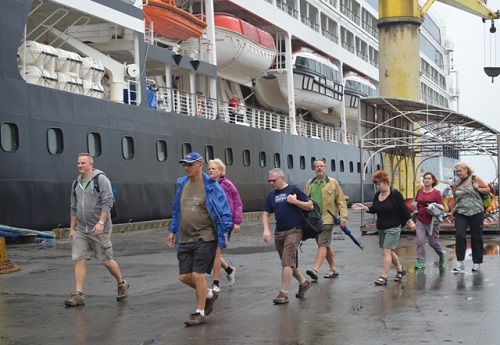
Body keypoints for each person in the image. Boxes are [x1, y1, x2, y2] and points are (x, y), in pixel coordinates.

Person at [167, 152, 233, 326]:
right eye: (185, 165)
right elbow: (176, 210)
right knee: (184, 276)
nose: (187, 168)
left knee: (198, 275)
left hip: (206, 236)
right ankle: (210, 294)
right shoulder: (182, 184)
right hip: (185, 237)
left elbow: (225, 211)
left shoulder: (211, 185)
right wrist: (172, 230)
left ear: (200, 164)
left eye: (190, 164)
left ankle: (200, 312)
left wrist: (223, 234)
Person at [65, 153, 128, 307]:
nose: (80, 165)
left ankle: (121, 283)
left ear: (91, 164)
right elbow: (73, 207)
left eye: (83, 163)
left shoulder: (101, 180)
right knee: (80, 259)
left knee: (106, 260)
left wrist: (101, 222)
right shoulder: (76, 184)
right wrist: (72, 229)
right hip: (81, 229)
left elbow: (108, 201)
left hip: (99, 228)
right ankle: (78, 294)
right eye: (78, 163)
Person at [352, 170, 416, 286]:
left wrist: (410, 222)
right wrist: (364, 207)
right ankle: (400, 269)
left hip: (393, 227)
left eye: (379, 183)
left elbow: (404, 210)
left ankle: (384, 276)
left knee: (387, 251)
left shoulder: (395, 194)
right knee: (389, 251)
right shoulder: (378, 195)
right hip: (382, 227)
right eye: (376, 184)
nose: (378, 186)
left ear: (386, 182)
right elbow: (375, 209)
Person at [262, 168, 312, 304]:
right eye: (270, 181)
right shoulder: (271, 196)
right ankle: (303, 282)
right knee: (288, 262)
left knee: (287, 262)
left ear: (282, 178)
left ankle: (283, 293)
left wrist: (295, 202)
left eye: (274, 180)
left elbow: (310, 205)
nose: (272, 183)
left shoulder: (294, 190)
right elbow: (266, 213)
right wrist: (266, 230)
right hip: (279, 232)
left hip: (295, 230)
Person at [303, 159, 348, 280]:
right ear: (314, 169)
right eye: (317, 166)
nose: (319, 168)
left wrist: (343, 218)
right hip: (314, 220)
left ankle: (315, 269)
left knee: (322, 243)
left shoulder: (333, 183)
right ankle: (333, 269)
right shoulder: (309, 184)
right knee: (325, 244)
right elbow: (305, 201)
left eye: (321, 166)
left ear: (325, 168)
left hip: (328, 219)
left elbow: (341, 201)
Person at [207, 158, 243, 292]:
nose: (210, 170)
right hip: (211, 223)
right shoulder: (208, 185)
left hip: (224, 223)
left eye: (213, 168)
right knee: (211, 253)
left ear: (221, 171)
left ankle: (216, 283)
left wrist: (237, 222)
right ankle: (229, 269)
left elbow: (238, 203)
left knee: (216, 252)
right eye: (209, 168)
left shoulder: (227, 184)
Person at [449, 162, 487, 273]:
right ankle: (460, 261)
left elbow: (487, 190)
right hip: (461, 212)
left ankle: (477, 262)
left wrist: (478, 188)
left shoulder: (475, 178)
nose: (458, 173)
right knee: (460, 235)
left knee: (476, 236)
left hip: (476, 211)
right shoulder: (456, 183)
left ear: (466, 170)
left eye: (460, 171)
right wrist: (452, 213)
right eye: (457, 171)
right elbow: (454, 199)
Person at [413, 172, 446, 270]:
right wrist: (414, 207)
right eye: (425, 178)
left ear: (433, 180)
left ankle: (441, 254)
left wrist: (432, 207)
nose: (426, 180)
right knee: (420, 241)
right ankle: (420, 260)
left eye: (429, 178)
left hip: (433, 221)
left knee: (433, 242)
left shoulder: (436, 193)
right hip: (420, 219)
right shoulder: (420, 191)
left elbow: (442, 208)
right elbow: (416, 202)